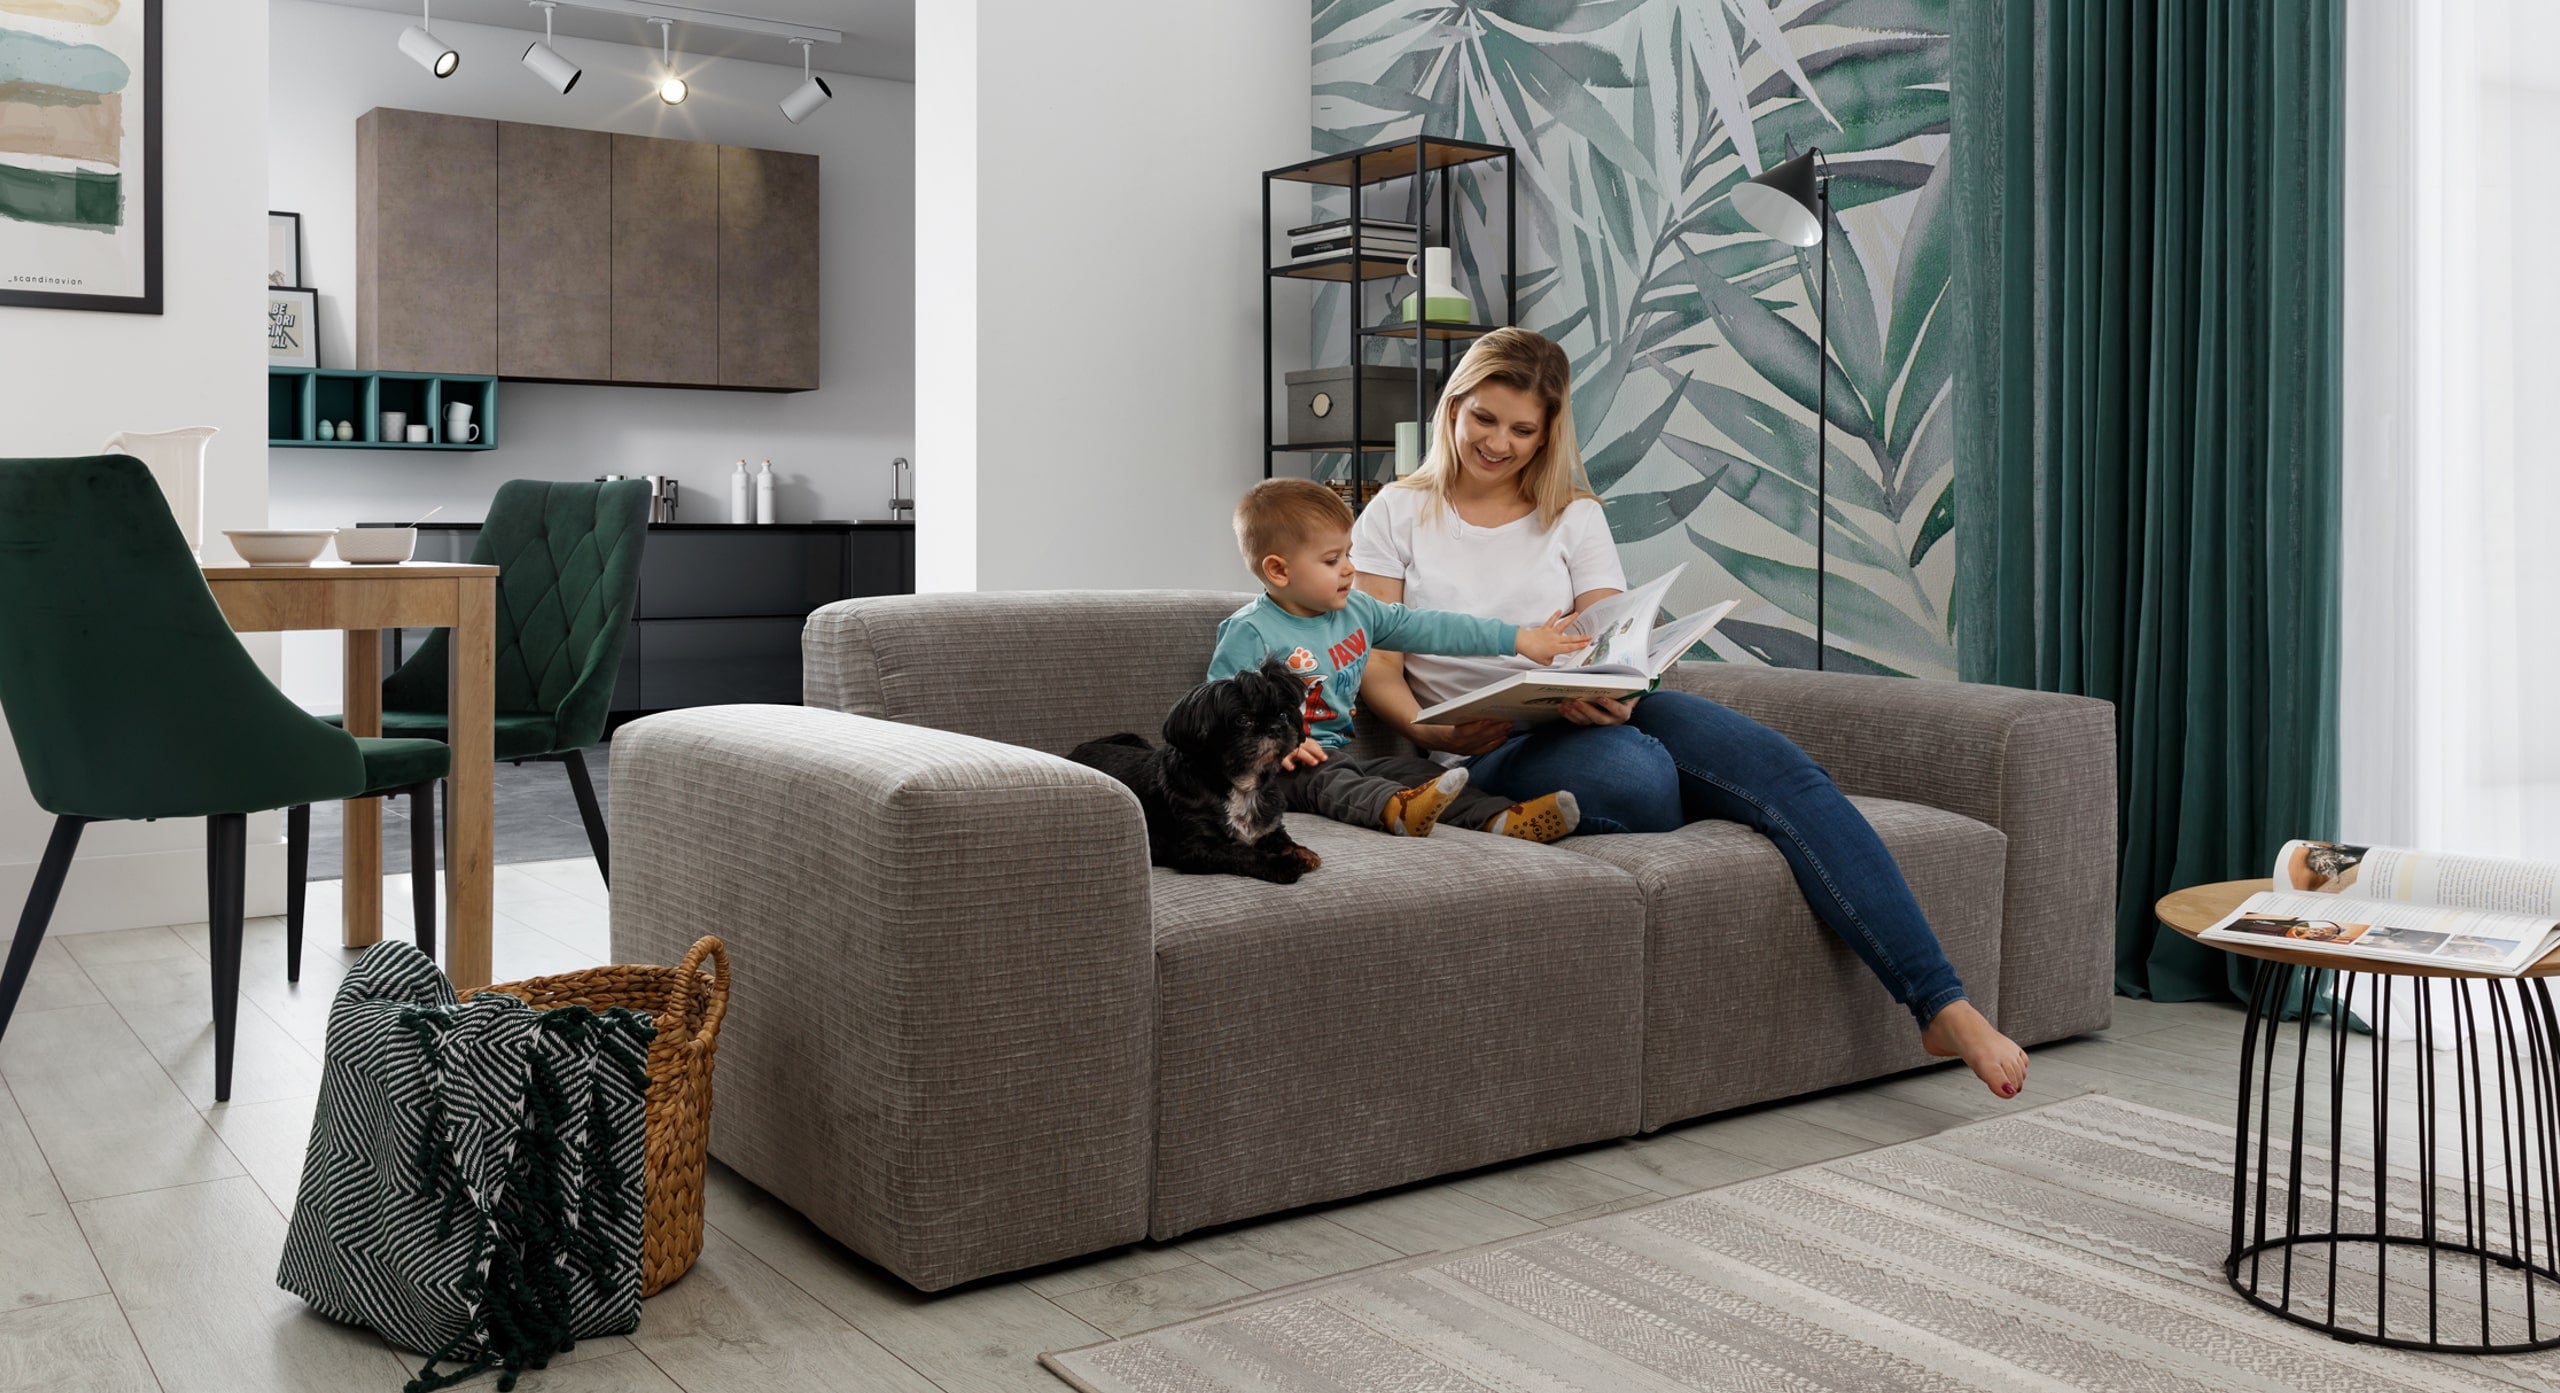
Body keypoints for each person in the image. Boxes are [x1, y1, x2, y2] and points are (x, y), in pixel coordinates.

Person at [1349, 327, 2030, 1099]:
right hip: (1487, 741)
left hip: (1588, 714)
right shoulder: (1397, 513)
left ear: (1548, 432)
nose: (1498, 442)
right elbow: (1379, 660)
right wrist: (1428, 730)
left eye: (1522, 428)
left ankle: (1942, 1003)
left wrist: (1608, 679)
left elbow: (1614, 634)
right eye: (1484, 419)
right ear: (1454, 407)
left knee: (1789, 774)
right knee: (1638, 779)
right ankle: (1666, 791)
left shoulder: (1572, 516)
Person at [1208, 478, 1587, 842]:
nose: (1349, 568)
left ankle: (1501, 818)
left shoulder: (1357, 610)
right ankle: (1395, 811)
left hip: (1337, 756)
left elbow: (1432, 629)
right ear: (1278, 569)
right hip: (1273, 770)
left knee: (1417, 769)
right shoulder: (1250, 631)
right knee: (1328, 774)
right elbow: (1219, 713)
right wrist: (1276, 745)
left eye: (1348, 553)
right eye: (1331, 560)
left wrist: (1519, 638)